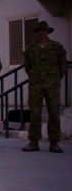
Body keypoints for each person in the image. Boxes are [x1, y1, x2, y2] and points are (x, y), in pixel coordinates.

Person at [22, 21, 68, 153]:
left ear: (48, 32)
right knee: (35, 113)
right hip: (36, 85)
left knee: (53, 113)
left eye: (44, 31)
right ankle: (34, 141)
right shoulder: (31, 48)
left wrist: (55, 78)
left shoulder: (56, 47)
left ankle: (54, 142)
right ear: (36, 33)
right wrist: (34, 77)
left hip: (52, 85)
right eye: (39, 31)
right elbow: (27, 66)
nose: (41, 33)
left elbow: (62, 65)